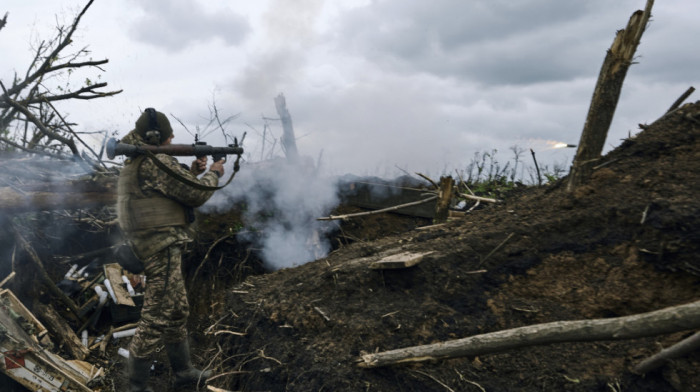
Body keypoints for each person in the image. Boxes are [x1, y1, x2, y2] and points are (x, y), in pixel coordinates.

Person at [116, 108, 224, 391]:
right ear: (155, 136)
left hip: (154, 244)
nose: (173, 137)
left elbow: (167, 192)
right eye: (168, 134)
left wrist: (191, 172)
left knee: (177, 310)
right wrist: (214, 173)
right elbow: (195, 194)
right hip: (159, 247)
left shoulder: (139, 161)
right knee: (156, 317)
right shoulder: (155, 161)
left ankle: (184, 372)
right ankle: (136, 386)